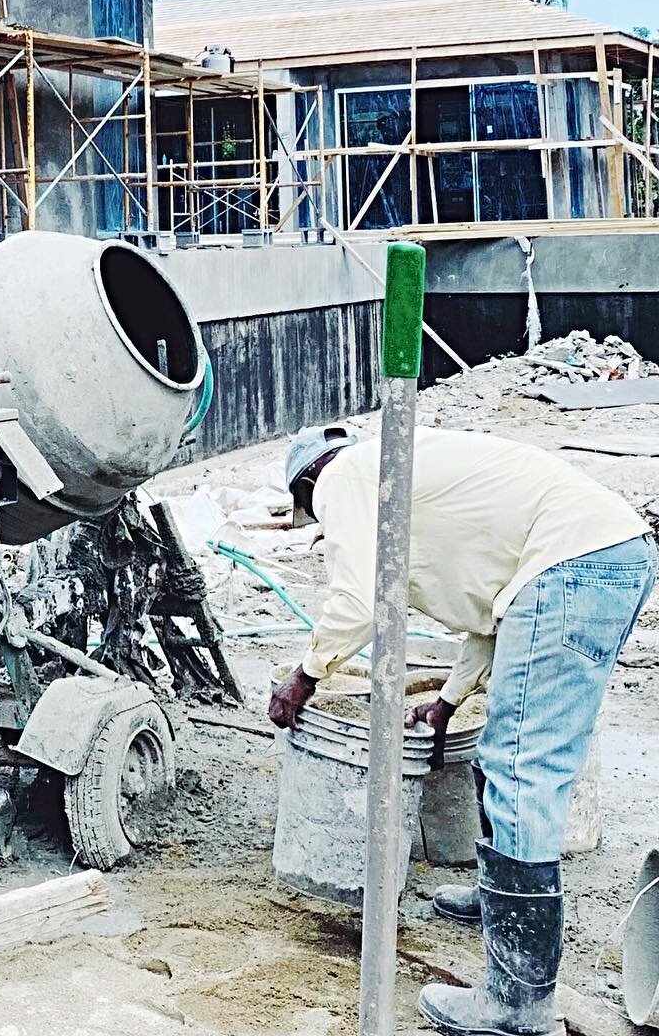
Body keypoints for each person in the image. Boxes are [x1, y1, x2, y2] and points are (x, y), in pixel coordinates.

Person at [268, 423, 655, 1036]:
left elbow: (358, 600)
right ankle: (500, 902)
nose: (320, 523)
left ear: (308, 483)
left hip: (574, 565)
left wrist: (305, 676)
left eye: (310, 513)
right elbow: (494, 617)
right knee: (511, 752)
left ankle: (518, 1002)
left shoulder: (343, 476)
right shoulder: (409, 482)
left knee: (523, 766)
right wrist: (448, 702)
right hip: (601, 557)